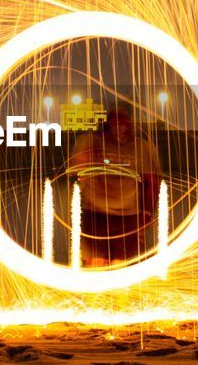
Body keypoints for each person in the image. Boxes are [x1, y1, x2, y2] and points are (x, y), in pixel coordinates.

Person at [66, 105, 162, 266]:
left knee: (122, 267)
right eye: (114, 124)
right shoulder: (93, 142)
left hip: (127, 218)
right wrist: (88, 159)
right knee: (95, 265)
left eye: (122, 124)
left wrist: (147, 212)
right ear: (107, 125)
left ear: (129, 125)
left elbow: (152, 182)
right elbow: (75, 169)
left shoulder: (141, 148)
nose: (118, 129)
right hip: (96, 215)